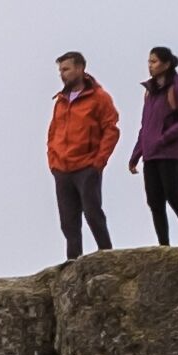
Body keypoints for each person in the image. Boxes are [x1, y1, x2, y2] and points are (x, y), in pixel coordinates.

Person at [46, 52, 121, 257]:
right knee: (68, 221)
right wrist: (53, 160)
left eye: (66, 69)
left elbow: (111, 129)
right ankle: (73, 262)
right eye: (61, 70)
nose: (62, 74)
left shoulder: (99, 97)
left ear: (80, 68)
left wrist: (99, 161)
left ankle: (107, 255)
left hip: (87, 166)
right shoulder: (61, 100)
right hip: (62, 168)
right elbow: (53, 132)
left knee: (92, 213)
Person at [135, 48, 178, 243]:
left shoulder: (175, 88)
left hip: (169, 153)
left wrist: (165, 137)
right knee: (155, 202)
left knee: (173, 196)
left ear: (166, 64)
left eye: (154, 61)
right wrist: (136, 154)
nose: (150, 65)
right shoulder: (149, 93)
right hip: (150, 155)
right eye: (149, 61)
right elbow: (145, 126)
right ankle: (164, 244)